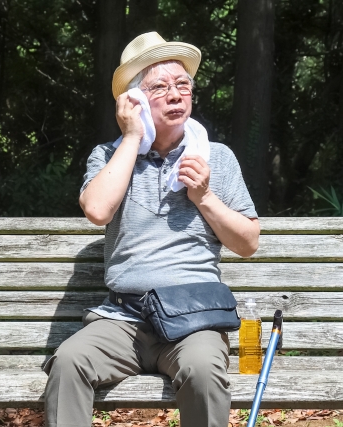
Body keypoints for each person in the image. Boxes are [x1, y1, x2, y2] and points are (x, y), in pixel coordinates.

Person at [44, 32, 260, 427]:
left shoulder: (217, 157)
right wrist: (131, 136)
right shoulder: (109, 156)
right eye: (159, 87)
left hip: (192, 321)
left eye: (183, 86)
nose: (176, 94)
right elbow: (97, 209)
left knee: (203, 371)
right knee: (69, 361)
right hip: (123, 319)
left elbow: (248, 243)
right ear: (135, 102)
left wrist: (205, 197)